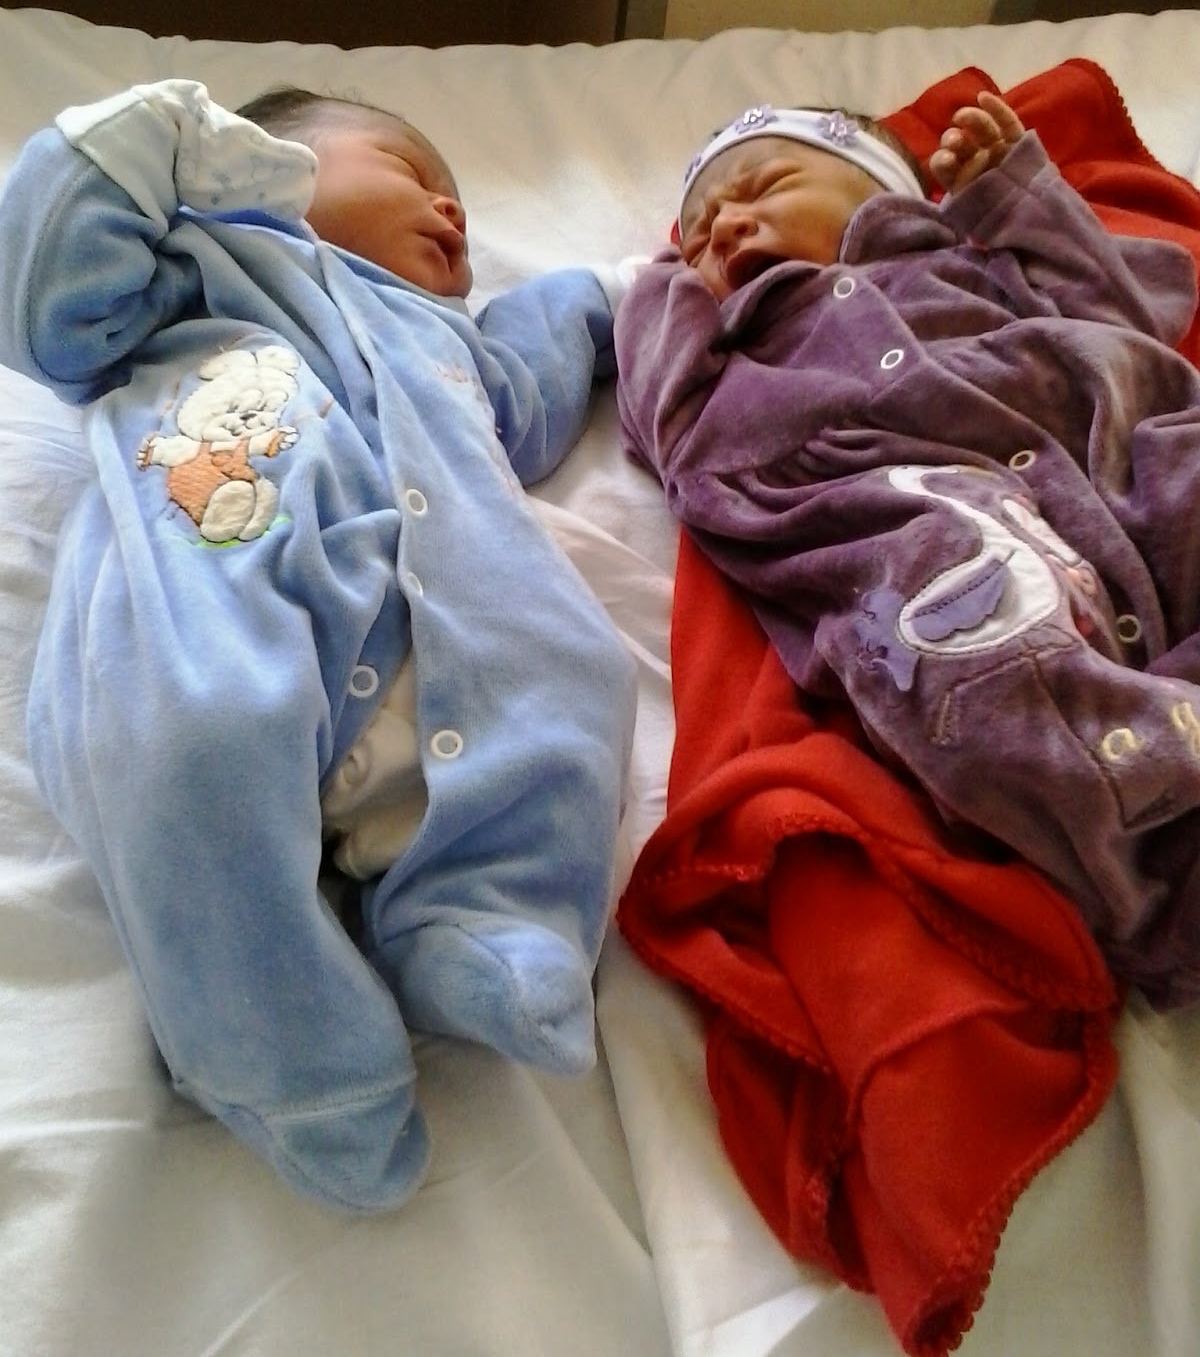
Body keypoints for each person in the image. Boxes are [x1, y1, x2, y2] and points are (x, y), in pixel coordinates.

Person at [0, 78, 637, 1210]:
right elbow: (42, 287)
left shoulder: (457, 349)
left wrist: (616, 293)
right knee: (190, 732)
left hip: (449, 631)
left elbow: (543, 372)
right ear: (260, 164)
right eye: (409, 170)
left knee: (574, 675)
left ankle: (483, 919)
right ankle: (284, 1056)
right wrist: (165, 144)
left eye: (453, 196)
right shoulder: (192, 271)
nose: (450, 207)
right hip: (228, 558)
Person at [614, 90, 1200, 1009]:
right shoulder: (743, 355)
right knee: (956, 638)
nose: (722, 225)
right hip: (932, 510)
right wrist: (659, 292)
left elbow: (1124, 317)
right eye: (694, 239)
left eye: (762, 186)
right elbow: (676, 435)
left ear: (886, 193)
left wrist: (1016, 199)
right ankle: (1152, 867)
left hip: (1120, 464)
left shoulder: (971, 258)